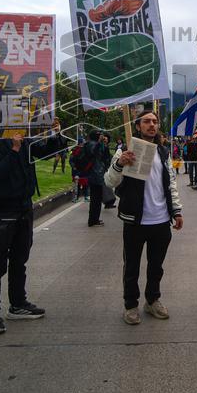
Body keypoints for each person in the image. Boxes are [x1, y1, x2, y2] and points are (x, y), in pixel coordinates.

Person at [0, 123, 65, 335]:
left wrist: (56, 133)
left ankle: (18, 303)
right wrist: (14, 149)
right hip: (1, 212)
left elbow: (48, 152)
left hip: (24, 208)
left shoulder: (26, 139)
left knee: (20, 260)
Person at [104, 109, 183, 325]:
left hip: (160, 220)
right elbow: (110, 182)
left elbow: (170, 184)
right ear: (137, 126)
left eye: (155, 121)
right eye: (146, 121)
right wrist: (120, 164)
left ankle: (152, 300)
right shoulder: (126, 150)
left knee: (156, 266)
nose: (151, 125)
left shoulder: (163, 152)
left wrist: (176, 210)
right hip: (135, 221)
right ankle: (131, 306)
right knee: (132, 266)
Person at [83, 131, 112, 227]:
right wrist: (100, 143)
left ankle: (94, 219)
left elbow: (105, 157)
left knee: (96, 199)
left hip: (96, 174)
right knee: (96, 199)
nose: (102, 137)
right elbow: (94, 153)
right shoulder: (92, 144)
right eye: (100, 136)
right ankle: (93, 220)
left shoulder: (93, 144)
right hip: (96, 175)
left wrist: (103, 144)